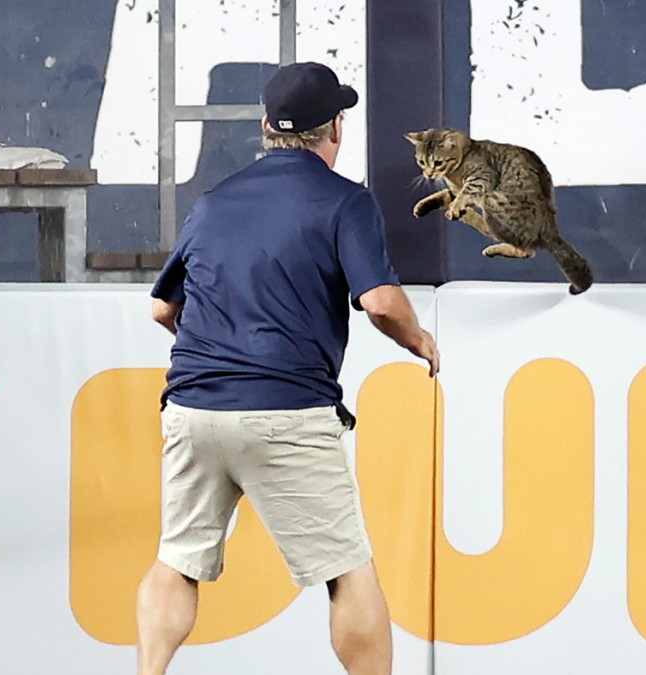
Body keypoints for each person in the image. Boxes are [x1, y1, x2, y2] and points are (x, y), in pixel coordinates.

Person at [138, 61, 440, 675]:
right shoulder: (344, 201)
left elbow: (162, 307)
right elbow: (380, 302)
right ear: (335, 128)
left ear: (264, 126)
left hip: (193, 409)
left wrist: (216, 349)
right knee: (349, 577)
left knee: (177, 561)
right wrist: (420, 340)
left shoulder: (215, 201)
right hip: (285, 413)